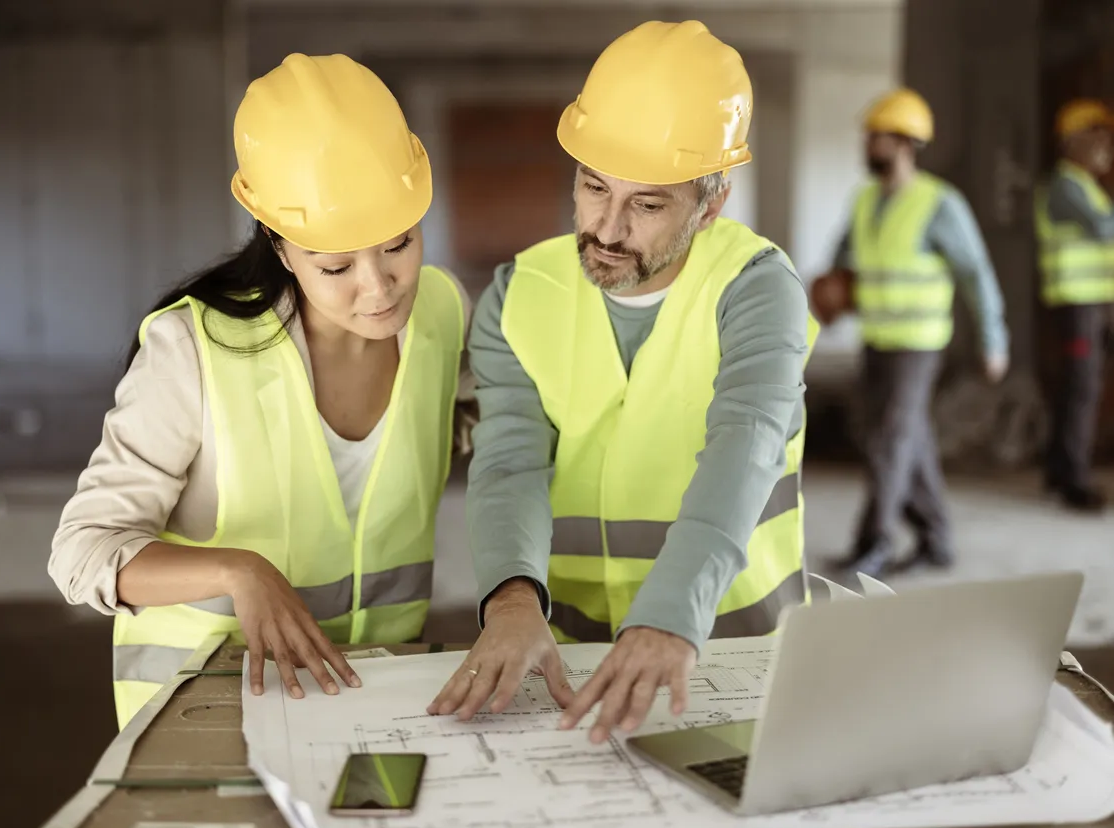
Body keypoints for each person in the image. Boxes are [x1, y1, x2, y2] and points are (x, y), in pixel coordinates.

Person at [49, 53, 471, 729]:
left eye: (399, 244)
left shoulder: (444, 313)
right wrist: (237, 572)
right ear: (278, 245)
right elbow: (81, 554)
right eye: (335, 265)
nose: (379, 286)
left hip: (376, 696)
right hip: (201, 711)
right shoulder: (191, 349)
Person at [427, 20, 819, 744]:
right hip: (571, 649)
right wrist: (512, 602)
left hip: (733, 643)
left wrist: (671, 614)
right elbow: (510, 463)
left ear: (710, 204)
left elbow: (744, 447)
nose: (605, 229)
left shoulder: (756, 287)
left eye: (645, 204)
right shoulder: (520, 293)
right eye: (592, 187)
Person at [825, 88, 1010, 579]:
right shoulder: (865, 200)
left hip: (919, 345)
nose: (866, 145)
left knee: (889, 440)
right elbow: (844, 259)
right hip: (878, 338)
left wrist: (994, 340)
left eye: (876, 137)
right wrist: (831, 292)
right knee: (909, 440)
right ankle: (936, 539)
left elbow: (976, 273)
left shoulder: (939, 204)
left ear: (904, 143)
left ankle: (875, 542)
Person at [1034, 98, 1114, 513]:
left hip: (1093, 303)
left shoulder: (1086, 186)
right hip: (1077, 305)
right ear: (1073, 143)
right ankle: (1074, 480)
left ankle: (1059, 469)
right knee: (1081, 391)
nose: (1107, 148)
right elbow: (1103, 230)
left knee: (1078, 390)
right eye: (1098, 139)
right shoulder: (1066, 185)